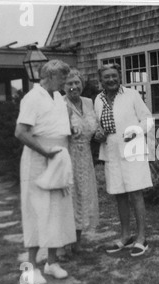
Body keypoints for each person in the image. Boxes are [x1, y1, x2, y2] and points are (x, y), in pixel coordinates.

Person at [15, 60, 76, 284]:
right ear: (49, 77)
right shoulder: (32, 98)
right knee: (36, 211)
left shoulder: (59, 97)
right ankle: (30, 268)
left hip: (58, 159)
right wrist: (46, 152)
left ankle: (52, 262)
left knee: (58, 211)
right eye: (62, 78)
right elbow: (20, 132)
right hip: (38, 160)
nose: (65, 83)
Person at [94, 63, 153, 257]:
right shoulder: (99, 99)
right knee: (119, 194)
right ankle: (126, 235)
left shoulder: (131, 95)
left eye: (114, 76)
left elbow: (147, 120)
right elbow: (98, 124)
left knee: (135, 193)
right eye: (106, 77)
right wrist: (98, 133)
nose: (111, 79)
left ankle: (142, 238)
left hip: (132, 148)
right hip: (111, 151)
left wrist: (135, 132)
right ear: (101, 80)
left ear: (120, 77)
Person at [64, 68, 99, 253]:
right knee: (68, 198)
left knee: (82, 198)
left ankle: (77, 243)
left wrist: (100, 133)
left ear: (82, 84)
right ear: (63, 86)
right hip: (67, 156)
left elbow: (94, 126)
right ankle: (62, 245)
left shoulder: (88, 102)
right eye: (69, 83)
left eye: (76, 82)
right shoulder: (61, 103)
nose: (73, 86)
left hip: (85, 157)